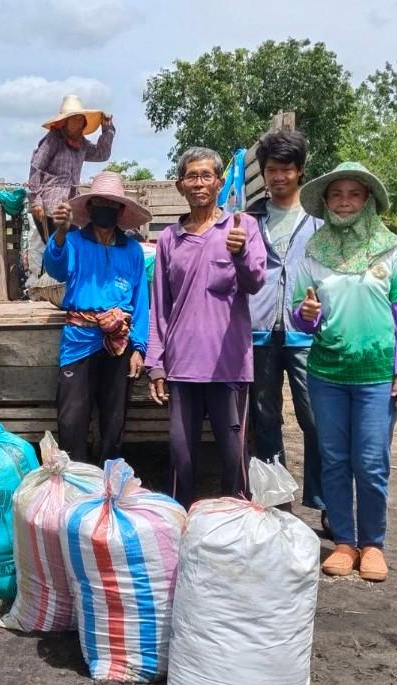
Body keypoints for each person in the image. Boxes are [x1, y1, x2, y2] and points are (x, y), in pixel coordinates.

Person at [290, 161, 397, 583]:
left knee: (371, 462)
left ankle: (373, 544)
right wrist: (305, 313)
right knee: (332, 459)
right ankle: (344, 542)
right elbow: (301, 315)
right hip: (327, 372)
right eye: (336, 194)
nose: (344, 202)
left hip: (378, 374)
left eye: (353, 194)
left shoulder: (391, 249)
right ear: (326, 202)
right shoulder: (314, 251)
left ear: (367, 201)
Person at [146, 147, 267, 509]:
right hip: (182, 366)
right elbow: (159, 306)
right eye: (191, 176)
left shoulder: (241, 226)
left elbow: (255, 282)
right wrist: (156, 363)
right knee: (182, 459)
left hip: (228, 365)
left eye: (206, 176)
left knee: (233, 459)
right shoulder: (170, 238)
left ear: (218, 183)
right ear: (180, 185)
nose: (199, 183)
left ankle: (232, 527)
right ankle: (179, 525)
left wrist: (241, 253)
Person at [246, 129, 326, 526]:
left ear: (300, 172)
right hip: (258, 330)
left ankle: (324, 500)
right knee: (265, 416)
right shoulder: (249, 219)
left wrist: (320, 311)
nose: (279, 177)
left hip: (304, 332)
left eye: (287, 169)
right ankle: (275, 497)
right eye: (272, 170)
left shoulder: (318, 222)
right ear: (263, 173)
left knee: (314, 416)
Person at [43, 171, 152, 463]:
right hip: (79, 339)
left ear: (120, 210)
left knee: (113, 421)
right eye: (99, 203)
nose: (105, 209)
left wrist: (139, 348)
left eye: (112, 204)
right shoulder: (75, 242)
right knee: (71, 420)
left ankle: (107, 485)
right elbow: (55, 268)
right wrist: (61, 233)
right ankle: (75, 481)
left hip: (119, 342)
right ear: (89, 209)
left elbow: (142, 301)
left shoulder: (132, 250)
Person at [25, 95, 115, 292]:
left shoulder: (81, 144)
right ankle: (50, 288)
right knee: (56, 244)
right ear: (64, 122)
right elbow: (36, 168)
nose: (79, 122)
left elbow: (102, 154)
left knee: (68, 245)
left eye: (81, 119)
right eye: (75, 118)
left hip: (72, 203)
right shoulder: (53, 140)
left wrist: (107, 130)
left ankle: (58, 287)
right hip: (49, 202)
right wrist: (36, 200)